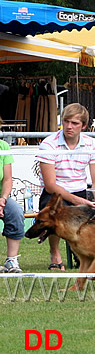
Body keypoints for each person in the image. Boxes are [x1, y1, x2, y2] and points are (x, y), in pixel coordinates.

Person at [37, 103, 95, 271]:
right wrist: (79, 201)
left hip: (82, 190)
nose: (69, 127)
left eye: (75, 123)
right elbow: (50, 185)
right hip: (56, 193)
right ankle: (55, 254)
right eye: (66, 121)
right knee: (53, 213)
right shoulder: (48, 144)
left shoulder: (92, 144)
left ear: (84, 126)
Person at [0, 116, 25, 273]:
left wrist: (2, 200)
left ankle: (11, 261)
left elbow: (8, 180)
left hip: (1, 197)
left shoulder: (3, 146)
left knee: (15, 212)